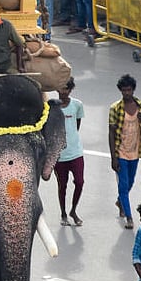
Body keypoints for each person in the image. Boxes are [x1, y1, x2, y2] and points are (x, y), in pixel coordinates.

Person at [108, 73, 141, 229]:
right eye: (124, 90)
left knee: (130, 182)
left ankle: (120, 201)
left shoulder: (140, 106)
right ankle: (129, 217)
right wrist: (113, 157)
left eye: (129, 90)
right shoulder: (115, 108)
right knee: (123, 185)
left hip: (135, 152)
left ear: (133, 90)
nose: (127, 93)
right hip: (121, 152)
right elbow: (111, 133)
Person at [54, 78, 85, 225]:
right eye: (61, 89)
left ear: (70, 90)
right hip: (59, 155)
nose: (63, 92)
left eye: (66, 89)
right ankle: (63, 213)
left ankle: (73, 210)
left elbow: (76, 125)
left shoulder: (77, 105)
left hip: (76, 152)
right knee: (62, 185)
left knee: (79, 182)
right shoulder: (52, 107)